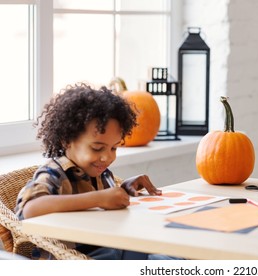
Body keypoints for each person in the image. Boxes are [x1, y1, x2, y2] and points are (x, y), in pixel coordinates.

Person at [15, 83, 180, 260]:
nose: (106, 158)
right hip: (79, 259)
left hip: (115, 249)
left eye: (114, 148)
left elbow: (101, 211)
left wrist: (123, 190)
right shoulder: (54, 173)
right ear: (67, 140)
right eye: (97, 148)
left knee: (175, 257)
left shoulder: (101, 173)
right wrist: (99, 199)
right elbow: (29, 209)